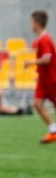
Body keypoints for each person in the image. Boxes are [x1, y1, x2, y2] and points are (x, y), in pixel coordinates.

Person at [29, 10, 56, 144]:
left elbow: (47, 59)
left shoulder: (45, 39)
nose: (31, 25)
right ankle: (53, 131)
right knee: (37, 104)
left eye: (32, 22)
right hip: (43, 80)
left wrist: (31, 62)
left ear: (37, 23)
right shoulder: (40, 39)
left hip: (52, 79)